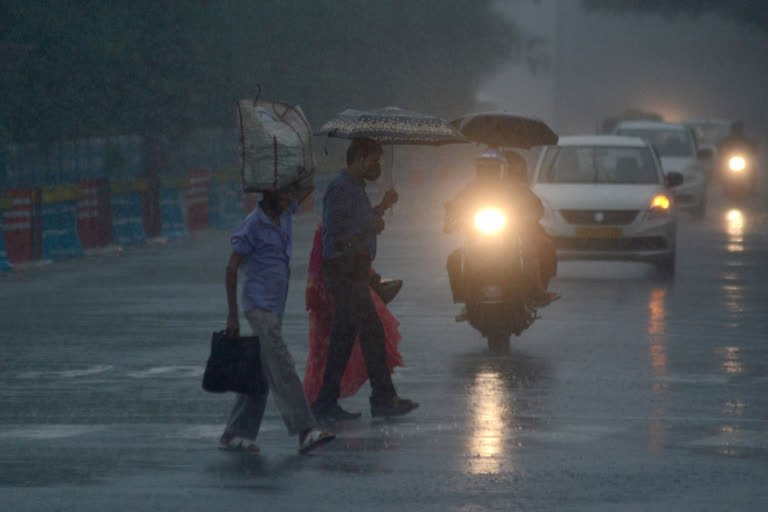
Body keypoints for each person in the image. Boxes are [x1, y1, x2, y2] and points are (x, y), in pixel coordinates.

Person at [220, 181, 335, 454]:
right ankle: (306, 429)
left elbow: (307, 186)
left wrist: (300, 161)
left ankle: (234, 433)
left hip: (275, 308)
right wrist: (232, 315)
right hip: (258, 308)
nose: (290, 198)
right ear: (270, 194)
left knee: (261, 371)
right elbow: (231, 268)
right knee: (282, 365)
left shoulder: (284, 213)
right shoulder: (253, 226)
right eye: (284, 193)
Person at [311, 137, 419, 422]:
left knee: (343, 338)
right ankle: (383, 398)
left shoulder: (355, 189)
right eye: (373, 161)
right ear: (358, 158)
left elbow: (358, 223)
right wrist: (370, 226)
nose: (377, 167)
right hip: (344, 271)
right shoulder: (340, 188)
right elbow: (334, 233)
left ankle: (326, 401)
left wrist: (380, 208)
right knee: (372, 332)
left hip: (353, 269)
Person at [444, 150, 558, 319]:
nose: (488, 172)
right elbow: (453, 210)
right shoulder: (469, 191)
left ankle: (536, 291)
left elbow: (536, 208)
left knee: (534, 252)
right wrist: (452, 220)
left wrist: (525, 217)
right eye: (484, 168)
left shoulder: (516, 188)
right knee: (454, 259)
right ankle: (467, 301)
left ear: (502, 169)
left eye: (492, 168)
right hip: (477, 243)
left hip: (510, 241)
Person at [303, 222, 404, 406]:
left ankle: (329, 399)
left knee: (346, 343)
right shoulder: (337, 219)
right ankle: (381, 397)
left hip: (345, 287)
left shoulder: (341, 216)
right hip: (342, 289)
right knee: (359, 339)